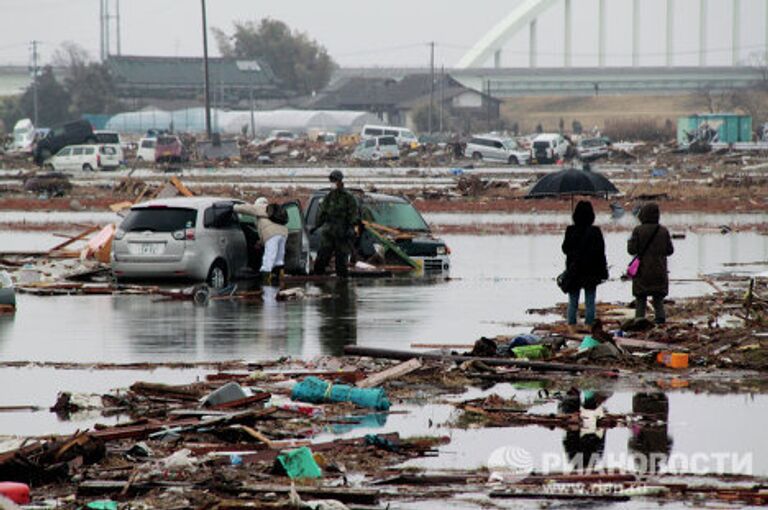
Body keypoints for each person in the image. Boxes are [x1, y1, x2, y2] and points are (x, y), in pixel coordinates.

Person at [561, 200, 608, 326]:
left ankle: (571, 325)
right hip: (591, 271)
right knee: (590, 301)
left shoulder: (571, 230)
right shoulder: (595, 231)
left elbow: (565, 249)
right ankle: (589, 326)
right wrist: (603, 271)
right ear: (591, 215)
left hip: (574, 270)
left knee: (573, 301)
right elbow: (601, 252)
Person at [628, 202, 674, 324]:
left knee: (641, 299)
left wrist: (630, 241)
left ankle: (639, 322)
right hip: (659, 270)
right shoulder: (663, 231)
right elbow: (670, 251)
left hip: (642, 271)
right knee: (658, 299)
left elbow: (631, 250)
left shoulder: (638, 230)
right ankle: (660, 321)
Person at [312, 170, 359, 278]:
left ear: (340, 181)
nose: (332, 183)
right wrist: (316, 226)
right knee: (322, 257)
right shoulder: (329, 197)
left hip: (342, 233)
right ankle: (318, 283)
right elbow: (322, 213)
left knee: (341, 261)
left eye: (334, 180)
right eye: (331, 180)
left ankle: (342, 287)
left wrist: (350, 228)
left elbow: (354, 215)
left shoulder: (348, 197)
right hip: (329, 232)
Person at [234, 197, 288, 285]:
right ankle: (279, 279)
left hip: (272, 234)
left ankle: (265, 282)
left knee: (268, 259)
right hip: (283, 233)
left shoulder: (261, 207)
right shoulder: (272, 210)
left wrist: (234, 207)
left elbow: (246, 208)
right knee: (279, 258)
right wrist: (261, 242)